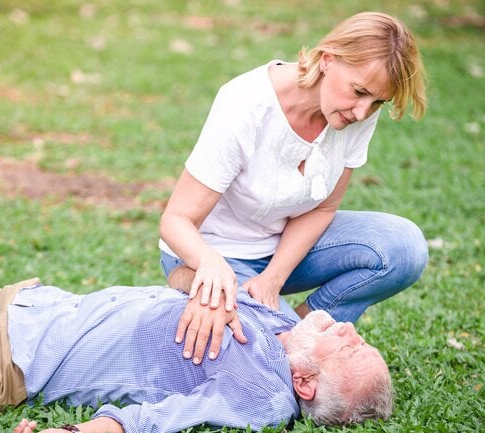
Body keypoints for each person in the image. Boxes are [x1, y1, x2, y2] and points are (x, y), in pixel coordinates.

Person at [158, 11, 429, 358]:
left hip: (285, 250)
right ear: (328, 59)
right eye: (359, 92)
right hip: (214, 253)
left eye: (377, 102)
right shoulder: (246, 104)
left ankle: (300, 329)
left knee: (404, 248)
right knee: (273, 362)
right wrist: (211, 264)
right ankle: (191, 281)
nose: (362, 112)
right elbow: (175, 221)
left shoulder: (355, 113)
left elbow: (324, 207)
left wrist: (273, 278)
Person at [0, 278, 393, 433]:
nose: (349, 327)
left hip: (9, 369)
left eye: (348, 347)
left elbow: (156, 420)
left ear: (305, 384)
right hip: (14, 303)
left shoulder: (265, 396)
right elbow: (183, 268)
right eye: (360, 337)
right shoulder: (276, 317)